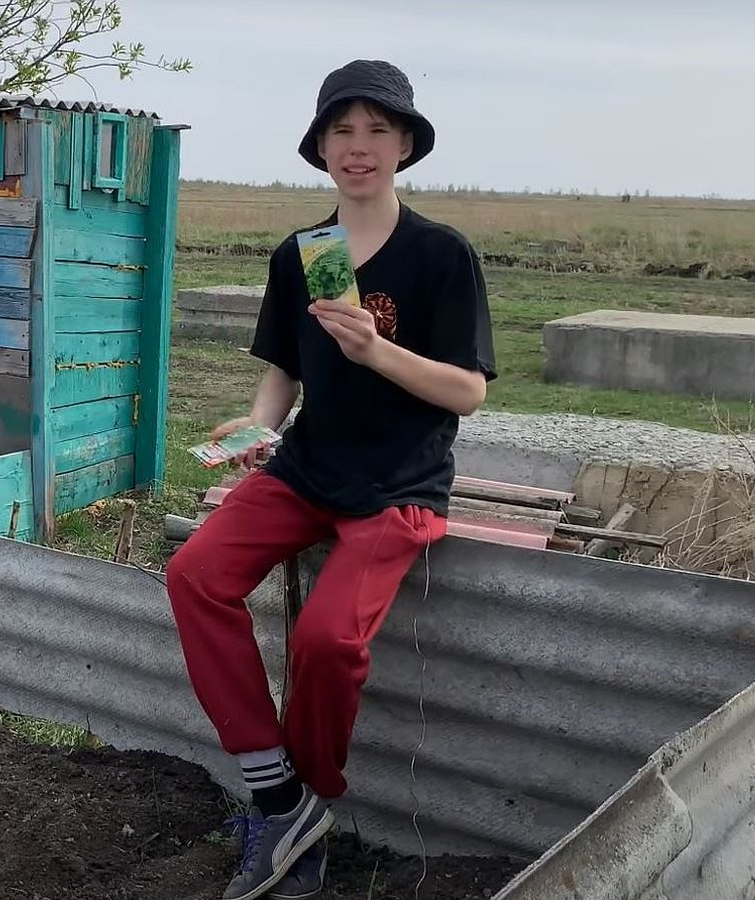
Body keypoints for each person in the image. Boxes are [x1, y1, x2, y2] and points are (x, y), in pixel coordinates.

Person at [166, 58, 497, 900]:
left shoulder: (438, 256)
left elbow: (468, 391)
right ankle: (278, 795)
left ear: (406, 146)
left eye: (378, 130)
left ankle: (302, 809)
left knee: (324, 641)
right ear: (319, 148)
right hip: (310, 467)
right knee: (195, 575)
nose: (359, 147)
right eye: (341, 131)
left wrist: (376, 349)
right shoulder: (306, 254)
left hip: (400, 485)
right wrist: (257, 429)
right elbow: (285, 370)